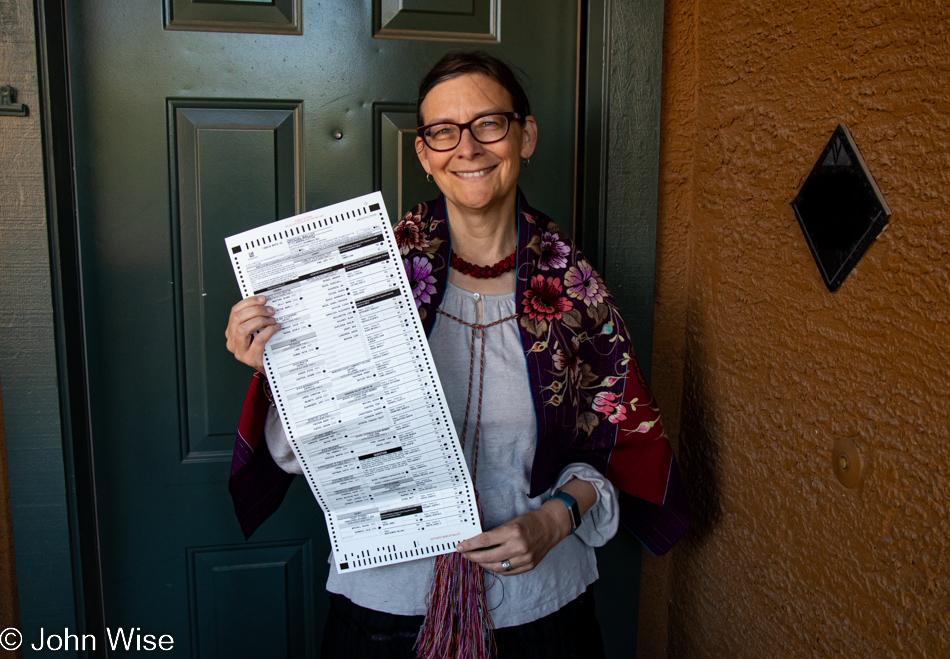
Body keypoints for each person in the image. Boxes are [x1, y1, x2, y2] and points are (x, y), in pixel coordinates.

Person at [225, 51, 690, 658]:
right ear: (424, 153)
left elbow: (610, 456)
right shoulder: (355, 284)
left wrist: (555, 520)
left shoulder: (576, 298)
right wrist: (287, 368)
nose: (466, 148)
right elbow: (296, 457)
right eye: (443, 131)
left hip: (540, 609)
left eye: (489, 124)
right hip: (388, 609)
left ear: (525, 137)